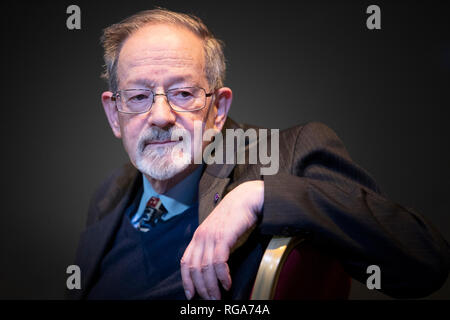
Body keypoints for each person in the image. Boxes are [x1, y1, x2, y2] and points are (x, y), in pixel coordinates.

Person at [69, 8, 450, 300]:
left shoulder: (288, 154)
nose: (161, 116)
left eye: (183, 93)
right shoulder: (110, 193)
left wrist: (262, 197)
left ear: (218, 109)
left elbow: (425, 261)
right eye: (138, 97)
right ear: (114, 114)